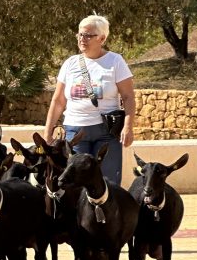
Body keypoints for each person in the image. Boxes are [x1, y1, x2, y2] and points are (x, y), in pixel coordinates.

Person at [44, 15, 135, 184]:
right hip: (75, 132)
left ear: (102, 38)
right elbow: (58, 101)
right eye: (79, 34)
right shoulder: (70, 64)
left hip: (107, 131)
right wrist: (47, 130)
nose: (82, 39)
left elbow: (128, 97)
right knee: (75, 183)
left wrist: (128, 127)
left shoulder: (115, 61)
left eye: (87, 35)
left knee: (108, 182)